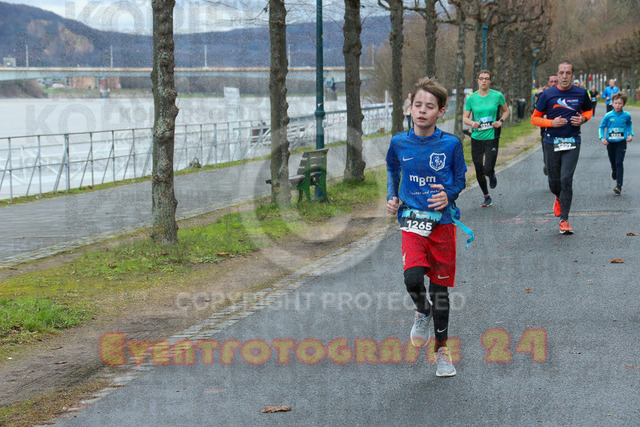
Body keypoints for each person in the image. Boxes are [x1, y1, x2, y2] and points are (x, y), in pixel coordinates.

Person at [386, 77, 467, 377]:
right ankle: (422, 310)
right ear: (410, 106)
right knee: (412, 278)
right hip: (411, 221)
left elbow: (460, 179)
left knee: (440, 290)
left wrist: (449, 194)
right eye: (418, 104)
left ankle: (442, 352)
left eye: (429, 106)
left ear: (441, 111)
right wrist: (392, 196)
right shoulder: (399, 142)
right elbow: (392, 168)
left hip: (442, 224)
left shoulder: (451, 144)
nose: (422, 110)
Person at [531, 61, 593, 235]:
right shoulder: (548, 94)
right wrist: (551, 123)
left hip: (573, 141)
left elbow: (589, 111)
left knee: (566, 179)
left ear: (572, 75)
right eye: (561, 73)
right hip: (551, 142)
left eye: (568, 73)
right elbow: (534, 118)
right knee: (554, 183)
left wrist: (583, 119)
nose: (564, 76)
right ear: (557, 75)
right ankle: (558, 197)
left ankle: (564, 220)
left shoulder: (581, 93)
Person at [462, 70, 510, 207]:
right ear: (477, 80)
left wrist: (500, 121)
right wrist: (472, 123)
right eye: (481, 78)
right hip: (477, 137)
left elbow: (506, 111)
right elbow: (465, 118)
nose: (484, 81)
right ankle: (486, 196)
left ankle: (491, 174)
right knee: (478, 168)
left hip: (492, 136)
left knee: (488, 168)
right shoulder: (471, 98)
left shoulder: (497, 96)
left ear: (490, 81)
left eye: (486, 79)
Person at [599, 92, 634, 194]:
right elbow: (601, 127)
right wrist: (602, 138)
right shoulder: (608, 115)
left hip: (621, 142)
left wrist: (630, 134)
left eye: (620, 103)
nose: (617, 105)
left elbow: (629, 125)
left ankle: (619, 185)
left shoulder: (626, 115)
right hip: (610, 143)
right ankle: (614, 171)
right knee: (613, 162)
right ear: (612, 103)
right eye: (616, 103)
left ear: (623, 104)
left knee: (619, 162)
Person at [536, 74, 559, 175]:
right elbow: (535, 112)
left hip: (561, 131)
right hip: (546, 131)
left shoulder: (565, 95)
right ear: (548, 83)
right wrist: (543, 116)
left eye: (555, 81)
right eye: (551, 81)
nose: (553, 84)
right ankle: (547, 164)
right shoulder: (543, 95)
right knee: (548, 155)